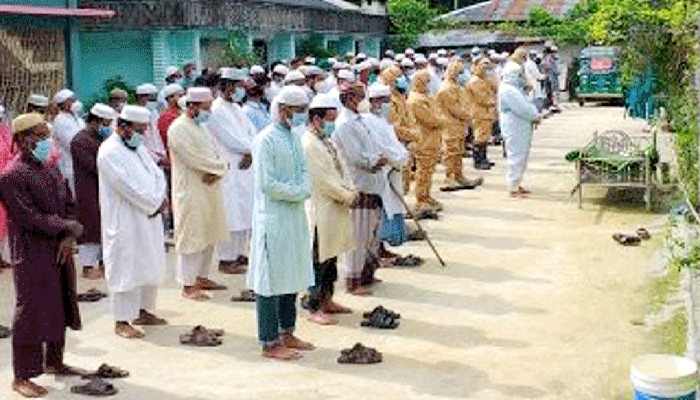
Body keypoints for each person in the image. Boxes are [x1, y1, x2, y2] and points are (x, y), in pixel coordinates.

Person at [0, 113, 84, 398]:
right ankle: (22, 375)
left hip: (59, 247)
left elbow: (69, 203)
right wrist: (65, 227)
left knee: (60, 300)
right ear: (24, 140)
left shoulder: (49, 169)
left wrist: (69, 235)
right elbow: (28, 216)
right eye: (40, 135)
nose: (47, 140)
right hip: (31, 251)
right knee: (31, 309)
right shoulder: (12, 175)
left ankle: (55, 361)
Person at [247, 86, 315, 360]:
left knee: (293, 272)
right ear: (284, 109)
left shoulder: (294, 138)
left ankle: (288, 330)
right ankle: (269, 341)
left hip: (295, 216)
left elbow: (304, 170)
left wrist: (304, 187)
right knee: (270, 279)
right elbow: (267, 183)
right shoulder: (265, 140)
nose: (301, 117)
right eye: (298, 112)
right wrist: (298, 192)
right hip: (273, 217)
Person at [97, 105, 168, 339]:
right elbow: (125, 186)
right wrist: (152, 203)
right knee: (125, 267)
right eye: (138, 129)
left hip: (149, 216)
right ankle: (121, 320)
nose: (142, 134)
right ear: (123, 127)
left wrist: (160, 197)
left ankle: (143, 311)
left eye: (144, 129)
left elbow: (157, 174)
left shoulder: (137, 148)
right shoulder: (109, 151)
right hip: (125, 219)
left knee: (149, 262)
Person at [168, 87, 230, 300]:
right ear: (192, 106)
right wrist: (219, 168)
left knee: (209, 233)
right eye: (206, 108)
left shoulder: (202, 127)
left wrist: (220, 168)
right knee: (191, 237)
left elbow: (217, 153)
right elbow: (193, 158)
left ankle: (202, 276)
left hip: (210, 187)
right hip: (191, 189)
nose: (209, 112)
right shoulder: (178, 128)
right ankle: (188, 284)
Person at [301, 94, 356, 325]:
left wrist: (350, 189)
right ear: (316, 118)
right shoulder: (308, 143)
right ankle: (313, 306)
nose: (332, 122)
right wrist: (346, 194)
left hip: (337, 206)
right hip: (321, 207)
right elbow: (322, 179)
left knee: (332, 257)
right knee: (318, 259)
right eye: (329, 118)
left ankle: (327, 299)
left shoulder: (327, 140)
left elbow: (342, 167)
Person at [334, 82, 387, 296]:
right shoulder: (345, 124)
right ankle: (353, 279)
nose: (363, 99)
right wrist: (376, 161)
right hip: (359, 183)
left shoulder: (359, 121)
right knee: (359, 235)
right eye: (360, 96)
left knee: (371, 233)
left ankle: (367, 273)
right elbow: (356, 157)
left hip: (373, 182)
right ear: (350, 99)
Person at [207, 68, 258, 275]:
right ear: (226, 87)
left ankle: (238, 253)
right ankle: (225, 258)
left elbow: (252, 133)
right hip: (230, 165)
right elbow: (231, 139)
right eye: (237, 87)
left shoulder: (237, 108)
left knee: (245, 212)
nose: (239, 91)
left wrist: (251, 150)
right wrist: (250, 149)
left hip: (246, 166)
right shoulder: (216, 110)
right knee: (231, 214)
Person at [70, 104, 117, 281]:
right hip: (88, 191)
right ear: (95, 121)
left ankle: (104, 262)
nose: (107, 127)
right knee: (90, 227)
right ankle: (88, 265)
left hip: (104, 190)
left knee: (104, 226)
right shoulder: (80, 141)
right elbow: (95, 166)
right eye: (105, 123)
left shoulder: (102, 139)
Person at [363, 83, 410, 250]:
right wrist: (398, 158)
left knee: (391, 206)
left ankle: (385, 246)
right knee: (381, 209)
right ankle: (379, 247)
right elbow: (383, 148)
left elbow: (394, 144)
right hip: (382, 172)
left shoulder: (383, 121)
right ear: (375, 101)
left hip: (393, 169)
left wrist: (402, 155)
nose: (388, 104)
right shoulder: (369, 122)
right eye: (385, 101)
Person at [499, 64, 543, 198]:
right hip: (515, 127)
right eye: (519, 75)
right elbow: (523, 108)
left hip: (520, 126)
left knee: (521, 156)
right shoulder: (508, 90)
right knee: (516, 156)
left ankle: (517, 183)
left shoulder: (514, 89)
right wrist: (535, 116)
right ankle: (513, 187)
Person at [438, 60, 484, 188]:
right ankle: (450, 177)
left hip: (458, 126)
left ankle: (459, 176)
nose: (463, 75)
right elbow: (455, 109)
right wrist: (468, 116)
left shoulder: (455, 87)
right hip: (450, 125)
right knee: (450, 152)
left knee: (458, 152)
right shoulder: (446, 89)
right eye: (460, 72)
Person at [407, 70, 447, 214]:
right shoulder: (416, 100)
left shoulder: (425, 97)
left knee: (429, 170)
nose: (428, 84)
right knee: (423, 171)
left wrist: (441, 120)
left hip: (432, 139)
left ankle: (427, 195)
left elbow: (438, 113)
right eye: (426, 81)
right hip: (424, 140)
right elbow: (431, 120)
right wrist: (442, 121)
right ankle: (421, 198)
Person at [380, 66, 418, 195]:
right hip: (396, 143)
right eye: (398, 77)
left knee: (405, 176)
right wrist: (412, 135)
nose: (402, 79)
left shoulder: (401, 98)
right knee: (397, 179)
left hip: (406, 143)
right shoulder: (388, 102)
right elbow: (393, 127)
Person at [465, 58, 499, 170]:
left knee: (485, 136)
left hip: (486, 113)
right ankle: (478, 160)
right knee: (480, 136)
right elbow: (482, 99)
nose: (486, 69)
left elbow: (496, 87)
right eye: (484, 67)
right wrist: (493, 102)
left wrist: (492, 75)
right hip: (478, 112)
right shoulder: (475, 81)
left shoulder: (484, 79)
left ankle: (484, 158)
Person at [51, 89, 82, 196]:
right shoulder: (60, 120)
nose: (75, 102)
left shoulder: (78, 118)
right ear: (64, 104)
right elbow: (71, 144)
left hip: (80, 164)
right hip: (69, 165)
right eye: (71, 100)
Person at [135, 83, 167, 165]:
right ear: (140, 98)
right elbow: (139, 144)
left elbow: (157, 136)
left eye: (155, 99)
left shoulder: (154, 113)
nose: (154, 102)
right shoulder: (135, 116)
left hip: (158, 158)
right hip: (143, 160)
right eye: (151, 99)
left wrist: (162, 155)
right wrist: (156, 159)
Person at [156, 83, 184, 153]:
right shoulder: (167, 116)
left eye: (181, 95)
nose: (176, 99)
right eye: (172, 96)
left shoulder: (185, 111)